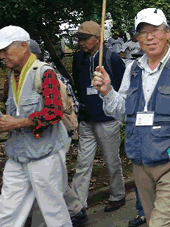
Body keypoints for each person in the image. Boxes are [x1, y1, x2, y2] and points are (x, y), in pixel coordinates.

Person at [92, 8, 170, 227]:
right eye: (143, 32)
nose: (150, 37)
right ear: (137, 38)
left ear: (167, 33)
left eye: (155, 30)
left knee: (162, 223)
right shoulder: (132, 69)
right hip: (142, 159)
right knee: (154, 220)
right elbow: (123, 113)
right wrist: (107, 92)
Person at [0, 26, 71, 227]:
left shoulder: (44, 72)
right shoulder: (11, 74)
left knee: (53, 212)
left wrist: (17, 123)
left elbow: (54, 112)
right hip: (18, 154)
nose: (2, 56)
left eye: (5, 50)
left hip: (44, 154)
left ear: (23, 46)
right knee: (6, 212)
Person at [71, 21, 126, 214]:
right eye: (79, 38)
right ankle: (78, 205)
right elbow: (77, 84)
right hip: (87, 117)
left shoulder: (112, 58)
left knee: (112, 160)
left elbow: (121, 88)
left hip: (107, 119)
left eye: (85, 39)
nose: (81, 42)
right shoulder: (78, 58)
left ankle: (118, 195)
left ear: (97, 39)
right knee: (82, 163)